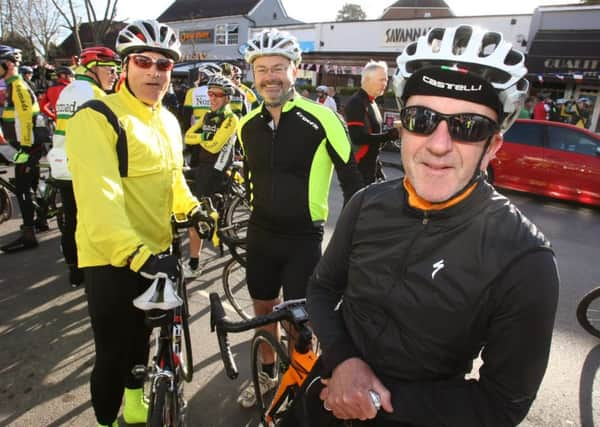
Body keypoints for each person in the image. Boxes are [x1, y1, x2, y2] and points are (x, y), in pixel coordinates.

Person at [298, 25, 559, 426]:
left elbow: (502, 404)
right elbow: (321, 288)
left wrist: (370, 395)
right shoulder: (366, 203)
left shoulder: (525, 259)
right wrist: (344, 359)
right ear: (401, 129)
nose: (438, 145)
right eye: (422, 119)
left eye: (468, 127)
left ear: (492, 147)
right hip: (323, 396)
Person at [65, 20, 200, 427]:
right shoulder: (98, 118)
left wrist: (193, 209)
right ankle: (106, 420)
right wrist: (137, 254)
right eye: (144, 61)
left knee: (143, 340)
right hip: (111, 257)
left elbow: (174, 179)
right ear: (125, 66)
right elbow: (99, 200)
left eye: (164, 65)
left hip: (157, 250)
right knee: (111, 352)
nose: (155, 72)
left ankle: (137, 400)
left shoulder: (169, 121)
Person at [235, 28, 363, 409]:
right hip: (259, 234)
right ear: (252, 74)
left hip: (302, 239)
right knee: (262, 310)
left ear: (296, 69)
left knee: (300, 322)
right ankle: (267, 371)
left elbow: (354, 181)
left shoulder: (323, 119)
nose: (270, 76)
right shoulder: (247, 125)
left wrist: (357, 241)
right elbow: (251, 182)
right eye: (261, 69)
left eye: (278, 67)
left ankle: (303, 385)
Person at [47, 46, 121, 288]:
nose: (114, 74)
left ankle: (73, 270)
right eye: (109, 69)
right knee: (90, 220)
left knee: (71, 219)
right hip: (83, 167)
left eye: (117, 69)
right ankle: (92, 272)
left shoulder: (68, 89)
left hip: (61, 164)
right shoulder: (96, 95)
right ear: (92, 68)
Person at [182, 75, 238, 278]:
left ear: (227, 98)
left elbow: (215, 145)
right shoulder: (207, 116)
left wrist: (204, 140)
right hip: (203, 164)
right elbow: (188, 137)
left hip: (216, 169)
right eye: (210, 93)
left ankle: (195, 263)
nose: (212, 98)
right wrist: (205, 137)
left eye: (217, 94)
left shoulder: (231, 119)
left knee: (195, 216)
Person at [0, 45, 45, 253]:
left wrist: (24, 150)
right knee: (30, 184)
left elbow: (26, 119)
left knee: (22, 189)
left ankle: (28, 234)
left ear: (7, 64)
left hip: (26, 146)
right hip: (21, 144)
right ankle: (40, 219)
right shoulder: (11, 85)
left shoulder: (17, 85)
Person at [345, 60, 399, 185]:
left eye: (386, 80)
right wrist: (389, 135)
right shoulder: (356, 102)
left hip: (371, 167)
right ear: (368, 79)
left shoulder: (372, 102)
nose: (385, 84)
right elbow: (357, 137)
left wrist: (378, 168)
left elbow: (374, 141)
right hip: (358, 170)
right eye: (382, 80)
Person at [182, 61, 222, 129]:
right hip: (217, 130)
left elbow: (186, 115)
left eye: (200, 75)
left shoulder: (193, 92)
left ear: (204, 76)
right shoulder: (222, 92)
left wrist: (186, 131)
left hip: (197, 130)